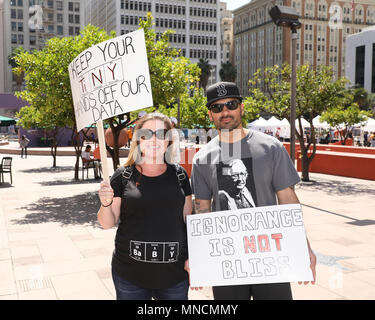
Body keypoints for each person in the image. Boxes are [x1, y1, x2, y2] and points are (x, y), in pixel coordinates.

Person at [189, 81, 316, 300]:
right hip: (227, 261)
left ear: (242, 107)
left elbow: (288, 200)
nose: (225, 112)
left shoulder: (271, 147)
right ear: (210, 114)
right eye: (217, 107)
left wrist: (303, 246)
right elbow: (202, 209)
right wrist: (200, 258)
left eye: (231, 104)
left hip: (270, 257)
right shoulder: (202, 158)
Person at [97, 112, 193, 300]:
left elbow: (187, 223)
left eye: (161, 134)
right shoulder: (122, 176)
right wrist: (105, 203)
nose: (154, 139)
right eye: (147, 134)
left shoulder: (180, 176)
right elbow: (107, 223)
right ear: (138, 139)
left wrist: (193, 257)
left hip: (174, 277)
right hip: (130, 277)